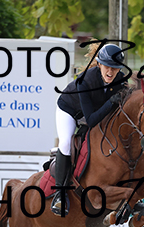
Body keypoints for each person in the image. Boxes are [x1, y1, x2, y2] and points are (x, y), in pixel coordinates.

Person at [51, 43, 127, 216]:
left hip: (93, 113)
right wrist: (111, 102)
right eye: (107, 66)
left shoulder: (121, 80)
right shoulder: (85, 81)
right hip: (69, 111)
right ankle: (59, 194)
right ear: (99, 64)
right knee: (66, 143)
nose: (110, 72)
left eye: (115, 68)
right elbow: (91, 120)